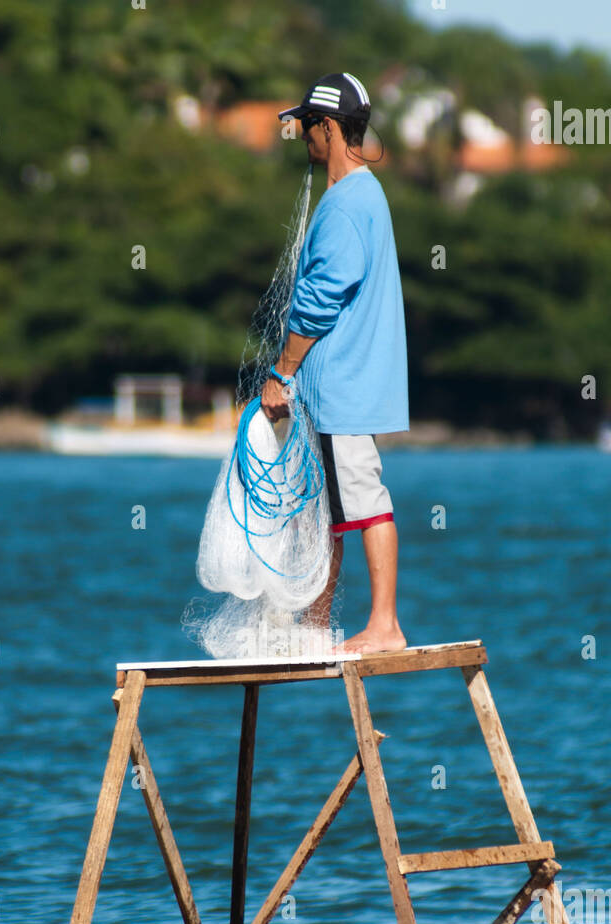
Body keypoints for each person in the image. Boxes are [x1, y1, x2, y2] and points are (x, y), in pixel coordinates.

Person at [260, 72, 409, 656]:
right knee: (330, 509)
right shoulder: (360, 195)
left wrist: (281, 372)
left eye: (308, 126)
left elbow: (320, 300)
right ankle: (317, 623)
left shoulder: (348, 203)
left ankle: (385, 626)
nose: (301, 136)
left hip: (345, 386)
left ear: (329, 127)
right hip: (341, 390)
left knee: (364, 501)